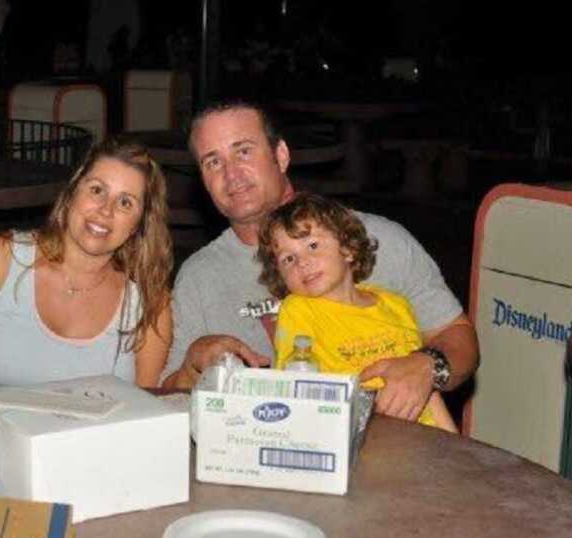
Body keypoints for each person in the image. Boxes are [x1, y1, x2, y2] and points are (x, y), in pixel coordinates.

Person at [162, 100, 479, 425]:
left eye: (243, 151)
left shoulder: (377, 238)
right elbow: (167, 395)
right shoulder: (200, 275)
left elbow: (459, 338)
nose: (231, 174)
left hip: (400, 450)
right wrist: (193, 365)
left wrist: (427, 366)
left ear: (281, 155)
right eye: (213, 162)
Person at [0, 137, 173, 392]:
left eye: (125, 202)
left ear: (138, 224)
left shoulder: (150, 303)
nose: (106, 210)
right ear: (72, 194)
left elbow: (146, 413)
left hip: (95, 433)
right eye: (96, 190)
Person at [257, 193, 457, 432]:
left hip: (421, 440)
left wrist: (455, 444)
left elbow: (427, 391)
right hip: (352, 440)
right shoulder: (298, 310)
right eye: (288, 259)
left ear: (348, 249)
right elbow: (296, 387)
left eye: (312, 245)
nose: (302, 262)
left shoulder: (396, 306)